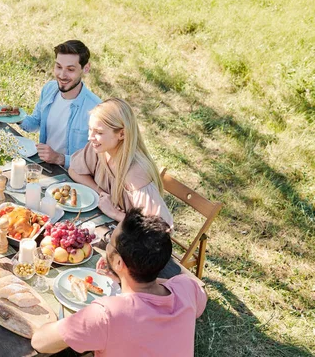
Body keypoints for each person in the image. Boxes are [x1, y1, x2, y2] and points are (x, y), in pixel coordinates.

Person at [31, 208, 207, 356]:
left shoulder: (106, 315)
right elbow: (200, 298)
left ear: (118, 263)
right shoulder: (187, 287)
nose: (107, 244)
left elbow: (40, 342)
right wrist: (124, 279)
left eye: (109, 240)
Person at [69, 98, 173, 226]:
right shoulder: (100, 149)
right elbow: (74, 170)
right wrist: (101, 193)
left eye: (99, 132)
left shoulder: (135, 173)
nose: (90, 137)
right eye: (90, 129)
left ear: (122, 134)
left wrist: (115, 213)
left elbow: (159, 229)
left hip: (131, 239)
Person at [19, 40, 101, 168]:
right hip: (44, 167)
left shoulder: (96, 109)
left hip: (73, 177)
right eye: (58, 67)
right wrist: (15, 116)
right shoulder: (49, 89)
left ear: (86, 68)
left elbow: (98, 159)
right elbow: (35, 123)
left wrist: (60, 158)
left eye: (70, 69)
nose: (62, 75)